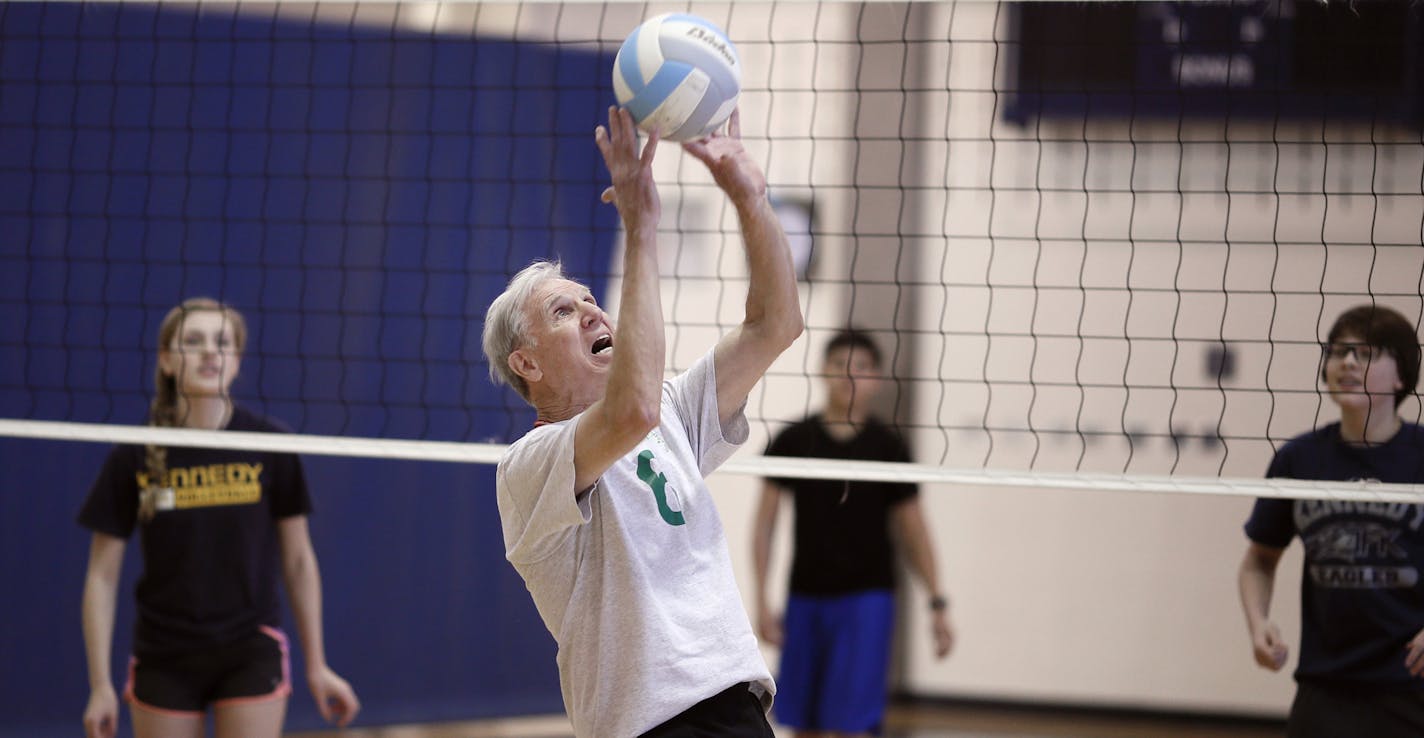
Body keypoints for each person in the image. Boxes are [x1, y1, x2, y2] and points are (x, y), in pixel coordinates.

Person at [481, 105, 803, 738]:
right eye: (564, 313)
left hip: (735, 702)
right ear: (527, 362)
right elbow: (631, 411)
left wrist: (750, 199)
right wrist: (642, 229)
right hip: (650, 723)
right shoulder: (527, 466)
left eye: (592, 300)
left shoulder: (672, 410)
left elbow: (777, 326)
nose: (595, 314)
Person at [79, 297, 359, 738]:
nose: (211, 351)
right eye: (194, 341)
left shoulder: (271, 444)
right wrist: (100, 686)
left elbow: (300, 561)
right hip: (164, 653)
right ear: (168, 361)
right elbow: (101, 576)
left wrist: (318, 664)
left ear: (236, 361)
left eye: (222, 342)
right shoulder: (134, 450)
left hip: (250, 649)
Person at [752, 328, 954, 738]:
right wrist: (761, 599)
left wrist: (937, 603)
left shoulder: (889, 447)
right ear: (823, 371)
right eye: (840, 364)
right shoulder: (793, 440)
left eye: (861, 367)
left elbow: (915, 532)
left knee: (849, 726)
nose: (849, 375)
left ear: (876, 379)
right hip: (805, 597)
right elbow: (765, 524)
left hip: (867, 600)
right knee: (803, 724)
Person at [1238, 303, 1424, 738]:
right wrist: (1257, 622)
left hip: (1412, 684)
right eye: (1339, 351)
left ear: (1401, 376)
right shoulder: (1298, 458)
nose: (1347, 362)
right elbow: (1258, 561)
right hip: (1326, 684)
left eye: (1367, 353)